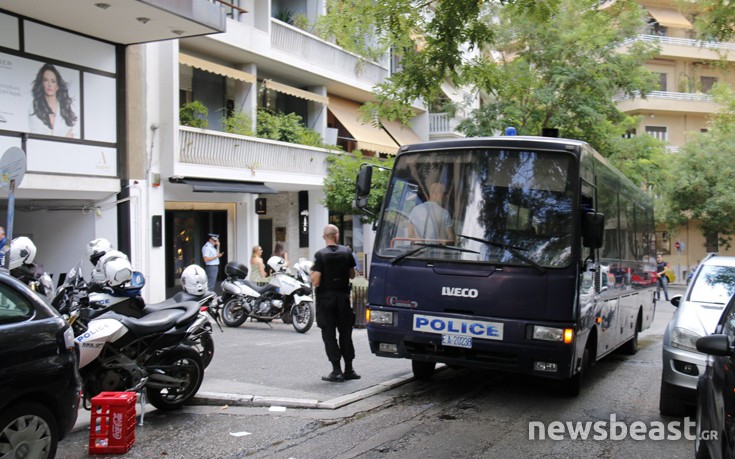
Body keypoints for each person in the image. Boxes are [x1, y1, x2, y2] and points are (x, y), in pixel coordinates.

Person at [311, 224, 359, 383]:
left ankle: (336, 370)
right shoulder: (347, 252)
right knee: (346, 333)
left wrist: (312, 275)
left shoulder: (320, 255)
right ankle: (349, 369)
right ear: (337, 236)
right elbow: (352, 275)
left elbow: (316, 281)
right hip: (343, 298)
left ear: (324, 237)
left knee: (329, 334)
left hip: (326, 299)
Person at [29, 63, 78, 138]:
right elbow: (34, 134)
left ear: (57, 86)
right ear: (42, 84)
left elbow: (72, 134)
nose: (49, 84)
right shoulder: (35, 107)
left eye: (53, 81)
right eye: (45, 80)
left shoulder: (65, 107)